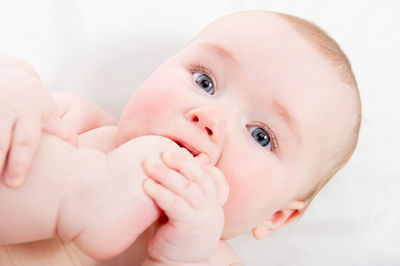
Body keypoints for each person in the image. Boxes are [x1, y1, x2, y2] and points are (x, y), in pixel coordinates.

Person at [0, 10, 361, 266]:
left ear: (277, 216)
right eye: (204, 81)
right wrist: (19, 91)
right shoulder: (82, 123)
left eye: (261, 136)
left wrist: (178, 258)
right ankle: (75, 198)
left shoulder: (208, 258)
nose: (210, 118)